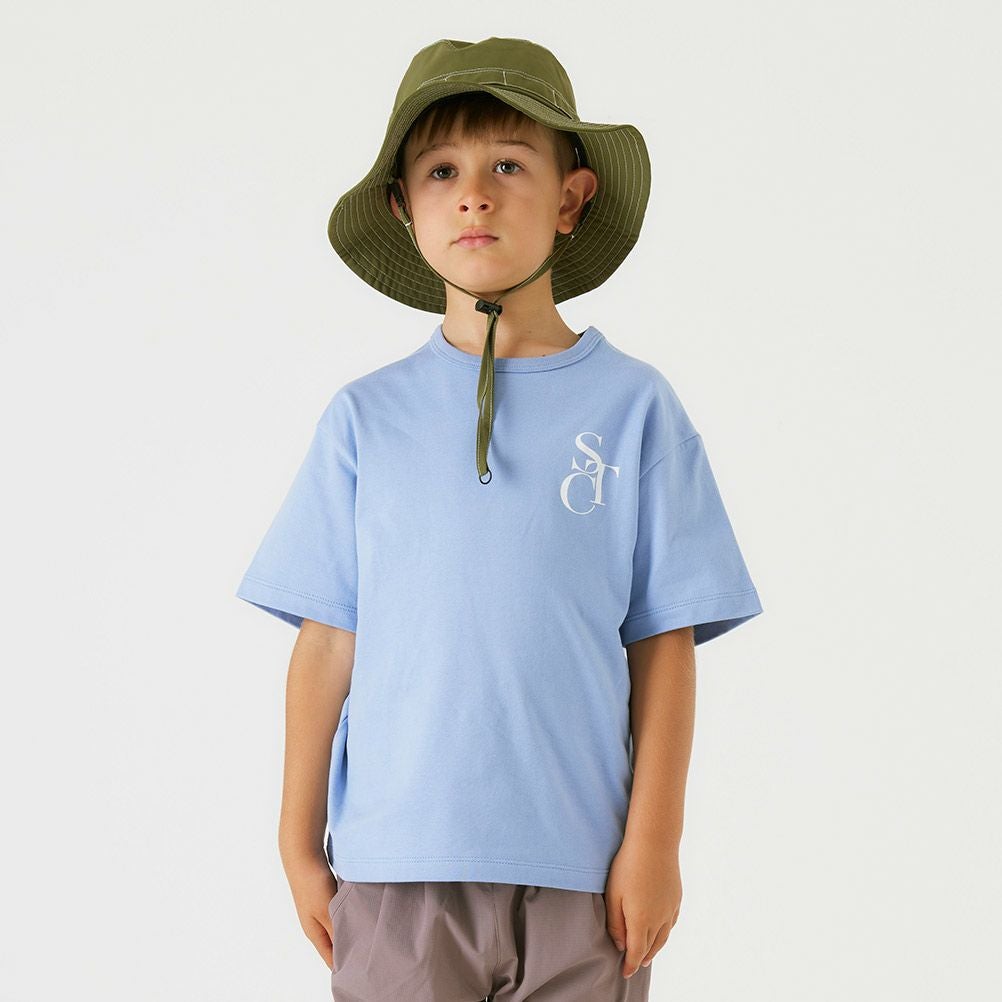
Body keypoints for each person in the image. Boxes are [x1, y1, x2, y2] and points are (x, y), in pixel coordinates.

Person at [235, 35, 763, 1001]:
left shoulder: (636, 408)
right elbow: (327, 640)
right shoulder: (365, 419)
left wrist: (655, 844)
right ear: (403, 206)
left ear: (571, 198)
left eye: (509, 166)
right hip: (394, 866)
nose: (474, 195)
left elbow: (665, 644)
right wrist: (295, 840)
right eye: (442, 171)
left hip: (585, 873)